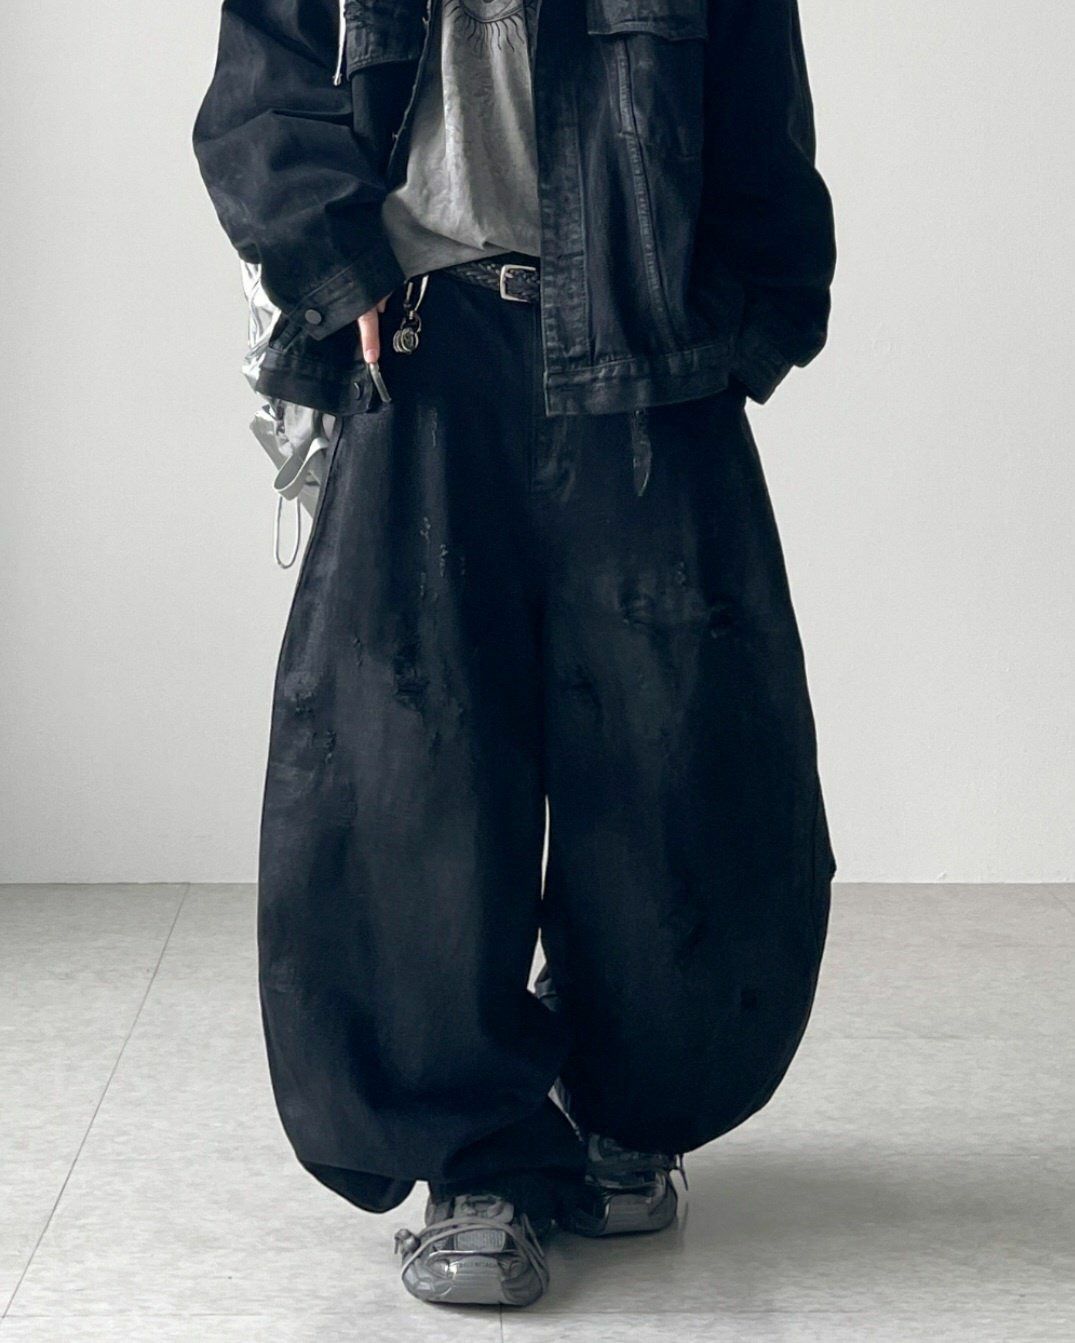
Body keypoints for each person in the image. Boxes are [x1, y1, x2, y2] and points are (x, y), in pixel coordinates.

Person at [193, 0, 838, 1309]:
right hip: (426, 345)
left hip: (647, 349)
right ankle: (472, 1155)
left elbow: (761, 108)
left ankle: (625, 1107)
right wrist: (336, 265)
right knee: (412, 776)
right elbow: (263, 87)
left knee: (679, 755)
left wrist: (740, 327)